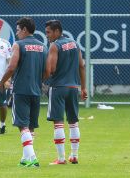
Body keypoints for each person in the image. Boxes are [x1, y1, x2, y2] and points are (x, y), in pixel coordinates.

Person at [0, 17, 48, 167]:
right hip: (36, 90)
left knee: (22, 125)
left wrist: (1, 83)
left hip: (21, 90)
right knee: (31, 125)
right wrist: (37, 80)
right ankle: (24, 158)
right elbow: (48, 71)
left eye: (17, 30)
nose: (16, 33)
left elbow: (11, 67)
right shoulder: (43, 46)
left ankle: (33, 158)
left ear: (24, 30)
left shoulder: (18, 45)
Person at [44, 20, 87, 165]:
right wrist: (84, 87)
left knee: (58, 123)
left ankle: (61, 159)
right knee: (73, 122)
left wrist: (42, 78)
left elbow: (52, 69)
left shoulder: (55, 46)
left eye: (48, 32)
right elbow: (81, 66)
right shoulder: (75, 44)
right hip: (73, 88)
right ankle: (74, 155)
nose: (47, 35)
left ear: (57, 31)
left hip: (58, 87)